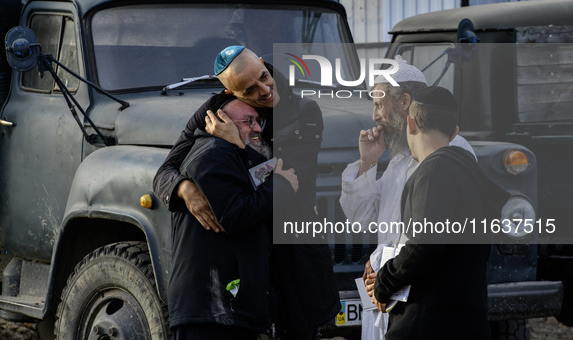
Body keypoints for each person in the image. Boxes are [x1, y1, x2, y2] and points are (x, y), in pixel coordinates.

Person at [154, 46, 340, 339]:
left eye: (265, 77)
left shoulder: (304, 113)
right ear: (232, 93)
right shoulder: (215, 110)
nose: (265, 90)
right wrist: (183, 187)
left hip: (291, 248)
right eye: (250, 90)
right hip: (247, 254)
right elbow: (164, 172)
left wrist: (237, 144)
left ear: (264, 64)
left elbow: (290, 179)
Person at [338, 56, 476, 339]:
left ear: (404, 102)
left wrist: (385, 275)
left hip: (419, 298)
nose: (375, 116)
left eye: (379, 104)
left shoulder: (450, 153)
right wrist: (367, 163)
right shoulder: (399, 159)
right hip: (389, 291)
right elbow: (363, 222)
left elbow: (428, 241)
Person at [371, 86, 510, 339]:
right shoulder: (469, 169)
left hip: (429, 324)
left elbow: (424, 243)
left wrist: (385, 281)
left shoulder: (433, 170)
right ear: (454, 132)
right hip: (466, 322)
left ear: (410, 123)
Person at [168, 93, 297, 339]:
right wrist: (281, 184)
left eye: (258, 120)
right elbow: (235, 215)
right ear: (220, 122)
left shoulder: (232, 153)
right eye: (248, 121)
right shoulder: (212, 155)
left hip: (225, 308)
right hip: (210, 311)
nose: (257, 127)